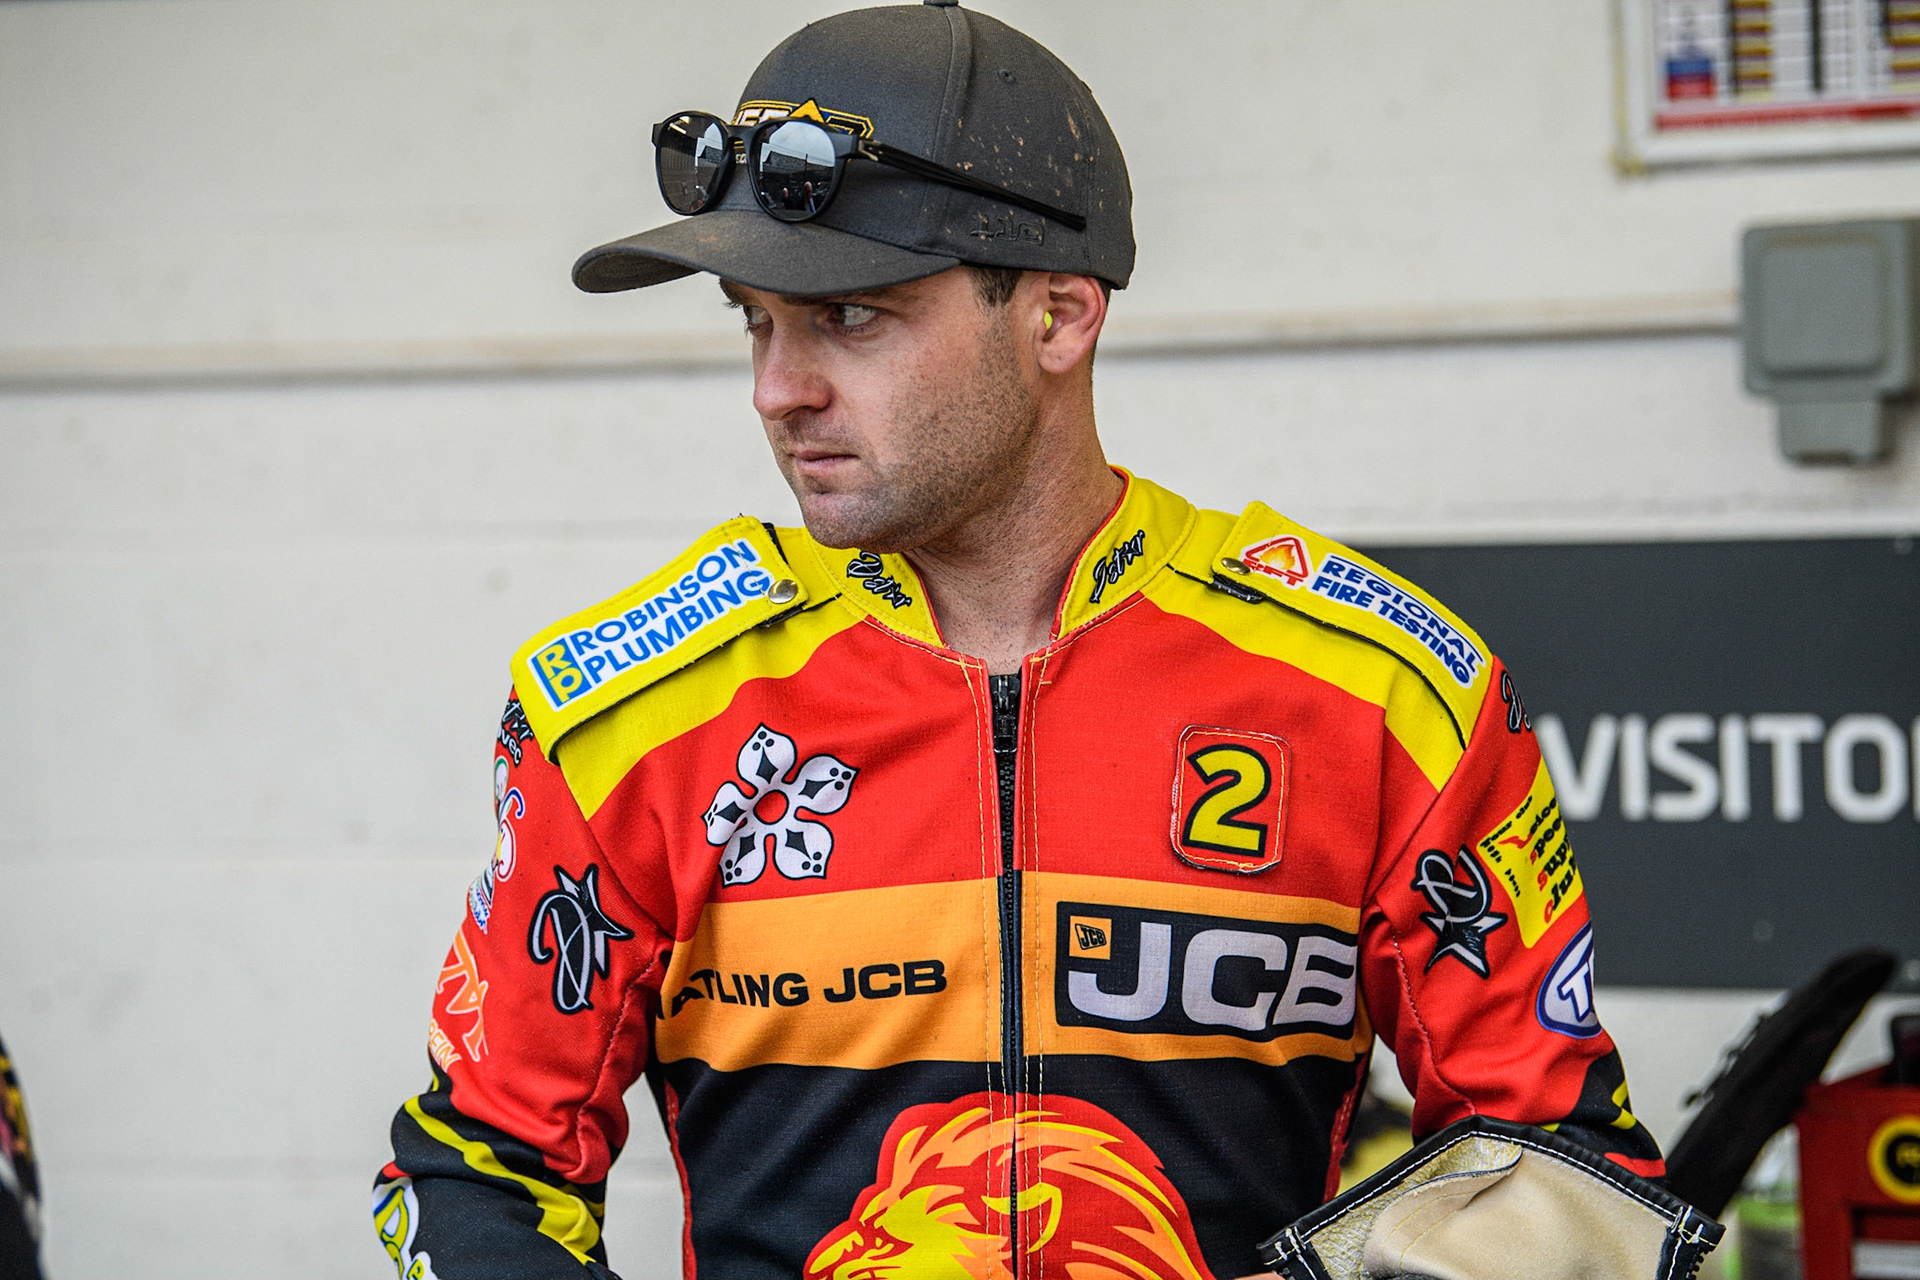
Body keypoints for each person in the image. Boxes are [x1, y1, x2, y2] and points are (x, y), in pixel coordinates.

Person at [373, 4, 1665, 1278]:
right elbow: (473, 1171)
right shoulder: (629, 717)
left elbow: (1561, 1174)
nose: (778, 389)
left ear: (1057, 316)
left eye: (853, 319)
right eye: (755, 321)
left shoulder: (1380, 694)